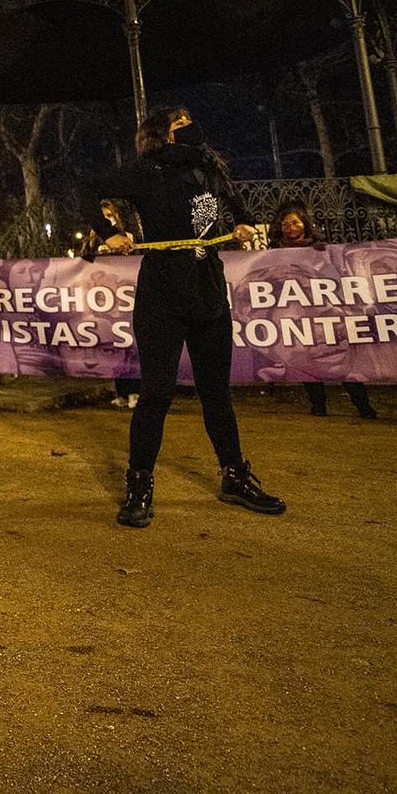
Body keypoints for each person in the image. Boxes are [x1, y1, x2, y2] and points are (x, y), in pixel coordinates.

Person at [96, 107, 285, 528]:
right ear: (161, 134)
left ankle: (234, 476)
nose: (189, 126)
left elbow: (237, 207)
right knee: (156, 394)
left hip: (208, 293)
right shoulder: (145, 172)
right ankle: (139, 485)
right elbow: (90, 188)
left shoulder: (209, 170)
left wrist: (245, 224)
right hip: (162, 299)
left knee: (216, 392)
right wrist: (109, 233)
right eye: (179, 123)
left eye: (189, 121)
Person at [269, 200, 376, 419]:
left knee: (342, 360)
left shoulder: (321, 250)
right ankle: (318, 405)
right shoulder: (273, 253)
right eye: (285, 224)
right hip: (297, 315)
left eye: (295, 223)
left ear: (305, 224)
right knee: (307, 361)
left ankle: (362, 405)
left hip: (325, 312)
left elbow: (337, 277)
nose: (290, 228)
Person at [85, 198, 143, 409]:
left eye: (109, 215)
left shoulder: (128, 234)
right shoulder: (97, 235)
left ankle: (136, 391)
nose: (107, 220)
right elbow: (86, 257)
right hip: (107, 297)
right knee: (115, 345)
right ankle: (122, 391)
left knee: (132, 343)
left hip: (128, 293)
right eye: (103, 217)